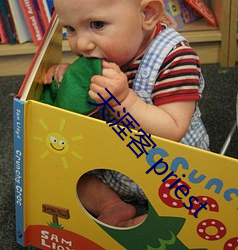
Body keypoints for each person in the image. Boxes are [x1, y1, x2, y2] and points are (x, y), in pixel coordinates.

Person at [44, 0, 209, 227]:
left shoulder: (176, 59)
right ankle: (112, 205)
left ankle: (153, 225)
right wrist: (69, 76)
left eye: (97, 24)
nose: (81, 44)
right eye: (70, 29)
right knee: (60, 173)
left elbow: (173, 129)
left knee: (199, 206)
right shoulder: (104, 50)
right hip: (115, 166)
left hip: (170, 172)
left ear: (148, 14)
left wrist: (125, 101)